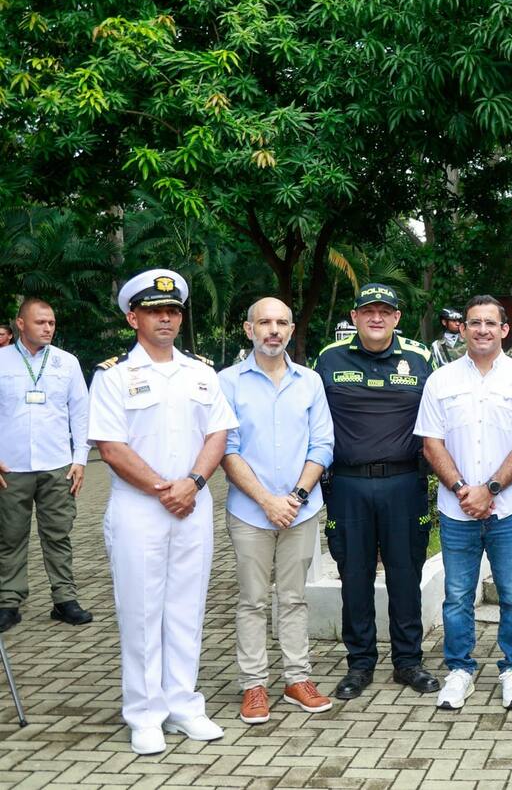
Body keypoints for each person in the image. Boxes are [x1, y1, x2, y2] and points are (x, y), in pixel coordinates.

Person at [88, 269, 238, 755]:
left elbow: (218, 433)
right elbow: (110, 447)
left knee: (186, 608)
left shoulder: (200, 371)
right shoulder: (113, 376)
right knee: (141, 609)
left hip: (192, 504)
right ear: (134, 317)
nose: (167, 318)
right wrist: (163, 489)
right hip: (139, 509)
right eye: (155, 311)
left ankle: (184, 705)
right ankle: (145, 713)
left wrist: (191, 484)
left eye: (173, 310)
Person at [415, 295, 512, 711]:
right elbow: (431, 443)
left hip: (507, 511)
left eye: (491, 323)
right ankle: (459, 670)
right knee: (457, 595)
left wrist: (488, 490)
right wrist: (461, 491)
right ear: (463, 329)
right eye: (475, 322)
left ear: (505, 330)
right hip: (457, 512)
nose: (483, 329)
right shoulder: (442, 380)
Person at [312, 283, 440, 701]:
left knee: (406, 573)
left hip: (405, 482)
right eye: (368, 311)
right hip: (348, 484)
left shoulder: (421, 358)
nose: (377, 318)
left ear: (397, 318)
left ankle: (408, 661)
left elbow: (441, 419)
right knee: (355, 575)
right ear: (354, 317)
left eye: (385, 311)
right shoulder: (329, 360)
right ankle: (360, 664)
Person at [219, 297, 336, 724]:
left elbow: (322, 443)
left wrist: (296, 498)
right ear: (248, 329)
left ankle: (296, 679)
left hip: (300, 511)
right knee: (251, 600)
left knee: (293, 598)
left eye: (281, 322)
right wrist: (267, 500)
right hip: (250, 513)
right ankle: (253, 684)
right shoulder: (227, 382)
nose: (273, 329)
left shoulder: (310, 382)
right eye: (264, 322)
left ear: (290, 329)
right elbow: (226, 449)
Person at [0, 298, 92, 633]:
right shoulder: (1, 361)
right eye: (40, 322)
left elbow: (81, 414)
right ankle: (9, 602)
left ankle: (64, 600)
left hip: (57, 465)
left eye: (52, 323)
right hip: (11, 467)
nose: (48, 328)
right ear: (20, 324)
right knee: (10, 536)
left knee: (58, 534)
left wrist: (80, 459)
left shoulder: (66, 363)